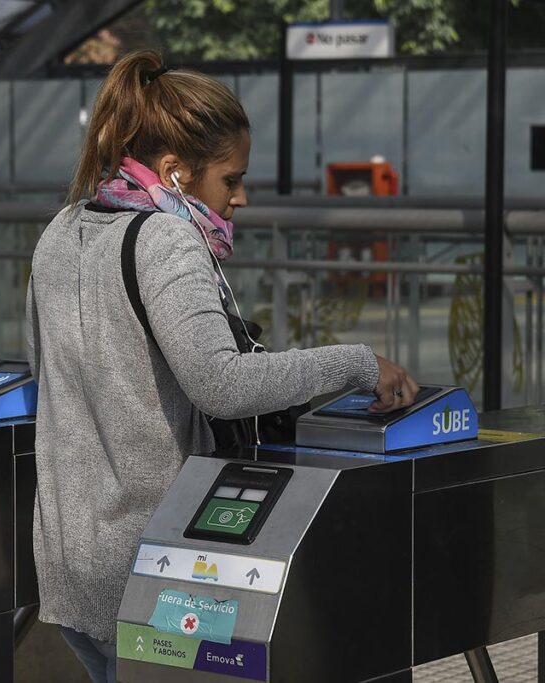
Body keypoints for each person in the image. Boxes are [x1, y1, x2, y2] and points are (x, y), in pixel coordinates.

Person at [23, 50, 416, 683]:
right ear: (176, 172)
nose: (240, 197)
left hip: (72, 562)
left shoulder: (63, 229)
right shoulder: (165, 240)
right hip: (152, 565)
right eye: (230, 179)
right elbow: (222, 383)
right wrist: (359, 362)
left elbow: (48, 374)